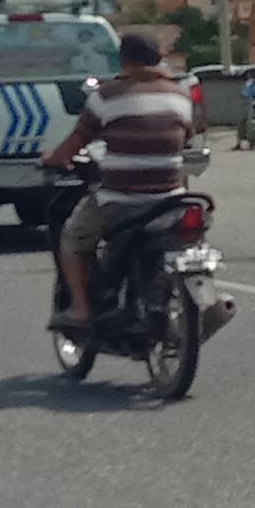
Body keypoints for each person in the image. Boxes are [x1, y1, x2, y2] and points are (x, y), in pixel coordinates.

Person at [38, 33, 201, 329]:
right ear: (158, 59)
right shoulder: (180, 95)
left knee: (73, 238)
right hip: (170, 199)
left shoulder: (106, 96)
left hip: (121, 199)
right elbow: (185, 137)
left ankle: (79, 309)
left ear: (123, 60)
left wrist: (51, 158)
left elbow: (75, 143)